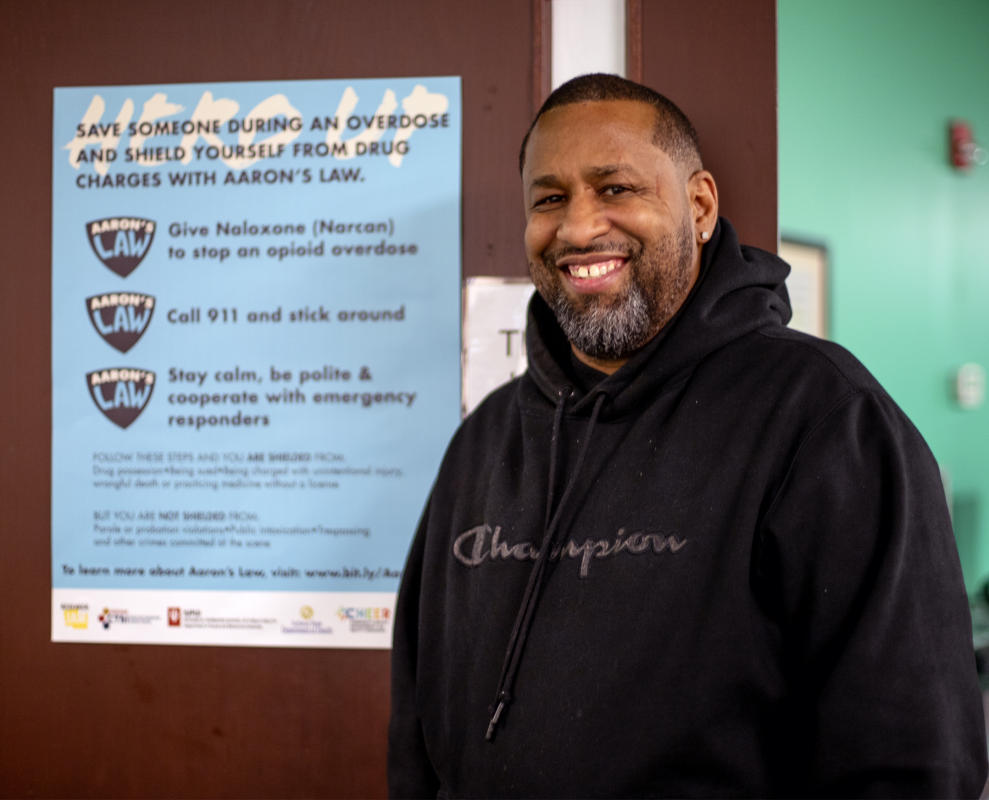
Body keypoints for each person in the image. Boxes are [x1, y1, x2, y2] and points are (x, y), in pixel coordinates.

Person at [388, 73, 988, 798]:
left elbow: (912, 754)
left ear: (698, 205)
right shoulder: (486, 441)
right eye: (549, 199)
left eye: (615, 189)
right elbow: (417, 730)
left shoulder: (825, 418)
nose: (578, 228)